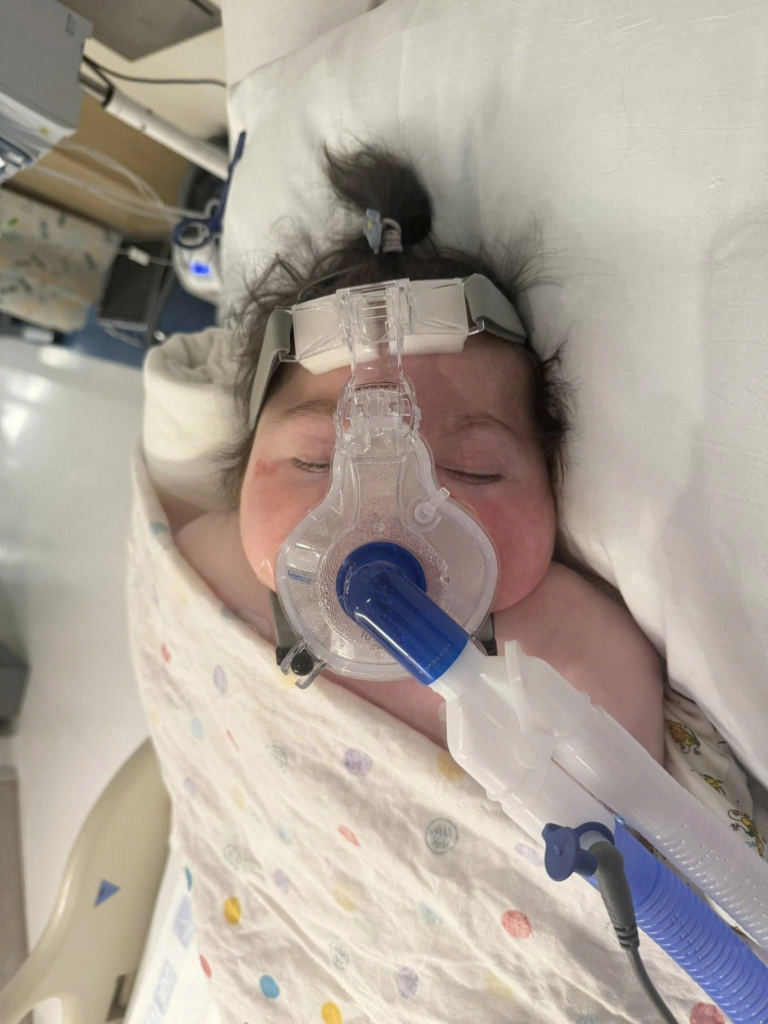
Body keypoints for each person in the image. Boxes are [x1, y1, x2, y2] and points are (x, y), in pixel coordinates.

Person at [129, 140, 763, 1024]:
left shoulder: (554, 637)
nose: (383, 511)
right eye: (314, 461)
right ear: (240, 474)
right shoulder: (210, 569)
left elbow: (626, 791)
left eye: (473, 470)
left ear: (554, 492)